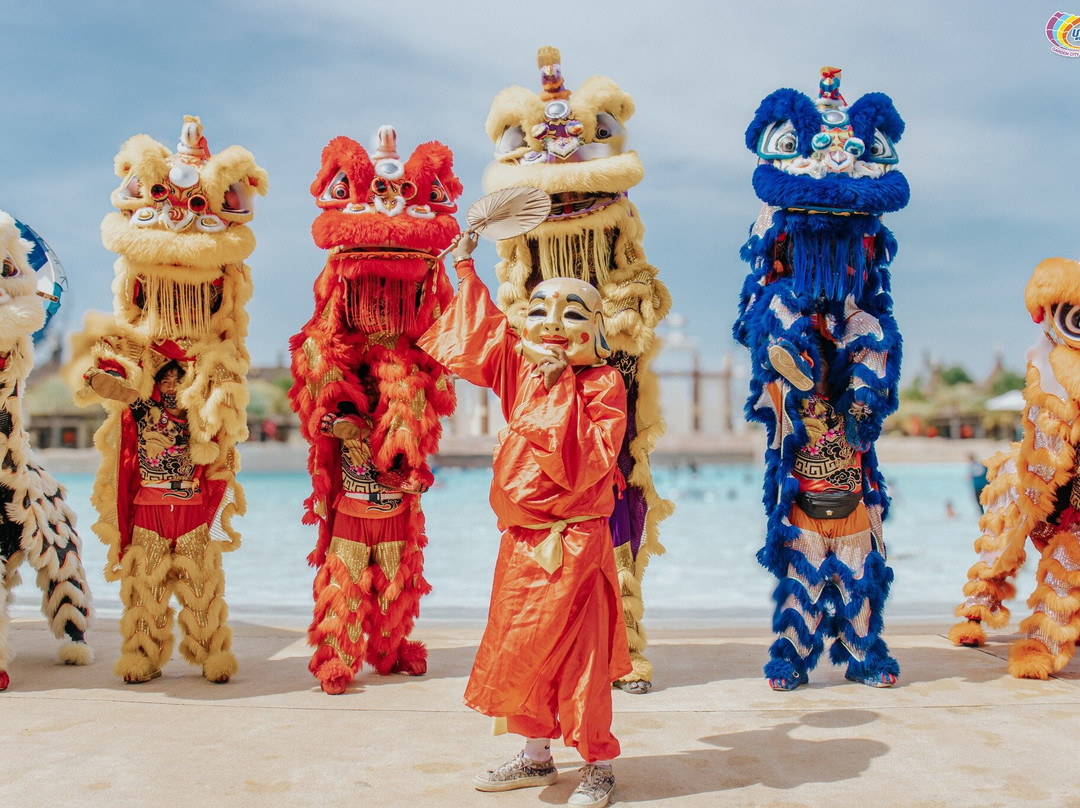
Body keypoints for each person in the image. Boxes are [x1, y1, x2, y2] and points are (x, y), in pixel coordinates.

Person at [418, 232, 631, 808]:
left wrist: (561, 384)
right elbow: (483, 331)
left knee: (579, 653)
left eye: (571, 313)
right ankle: (536, 755)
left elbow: (587, 461)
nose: (552, 324)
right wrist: (464, 264)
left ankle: (597, 764)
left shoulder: (603, 384)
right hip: (522, 540)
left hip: (576, 541)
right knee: (521, 646)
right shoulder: (522, 369)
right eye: (539, 311)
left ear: (597, 329)